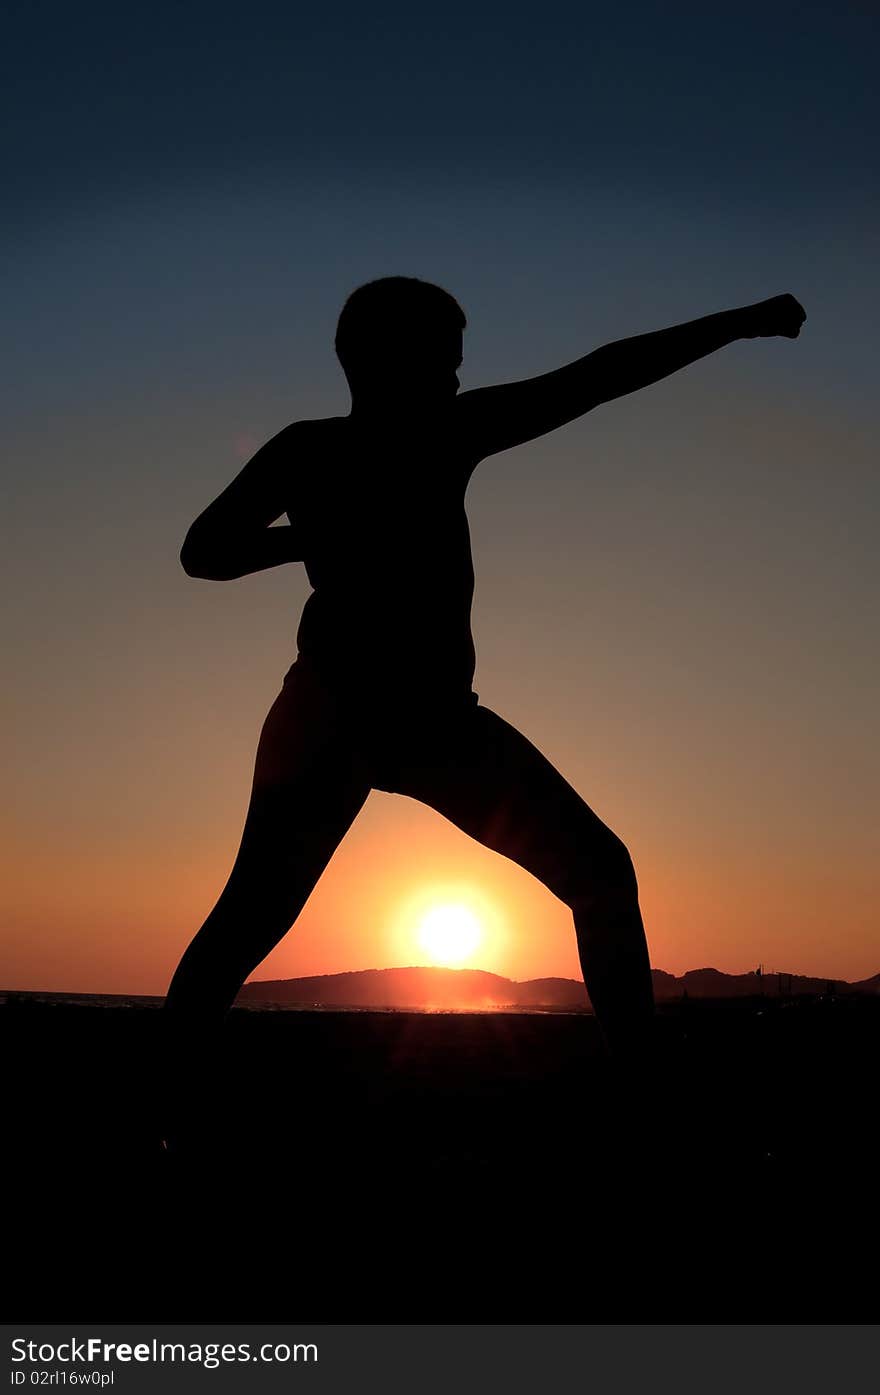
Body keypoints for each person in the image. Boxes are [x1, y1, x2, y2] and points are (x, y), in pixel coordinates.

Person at [160, 276, 806, 1148]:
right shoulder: (387, 440)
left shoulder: (344, 445)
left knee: (601, 872)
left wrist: (736, 324)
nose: (460, 379)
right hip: (335, 715)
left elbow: (601, 375)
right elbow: (202, 551)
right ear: (388, 362)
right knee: (248, 919)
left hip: (428, 720)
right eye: (446, 363)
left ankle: (645, 1103)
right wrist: (742, 322)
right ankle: (162, 1116)